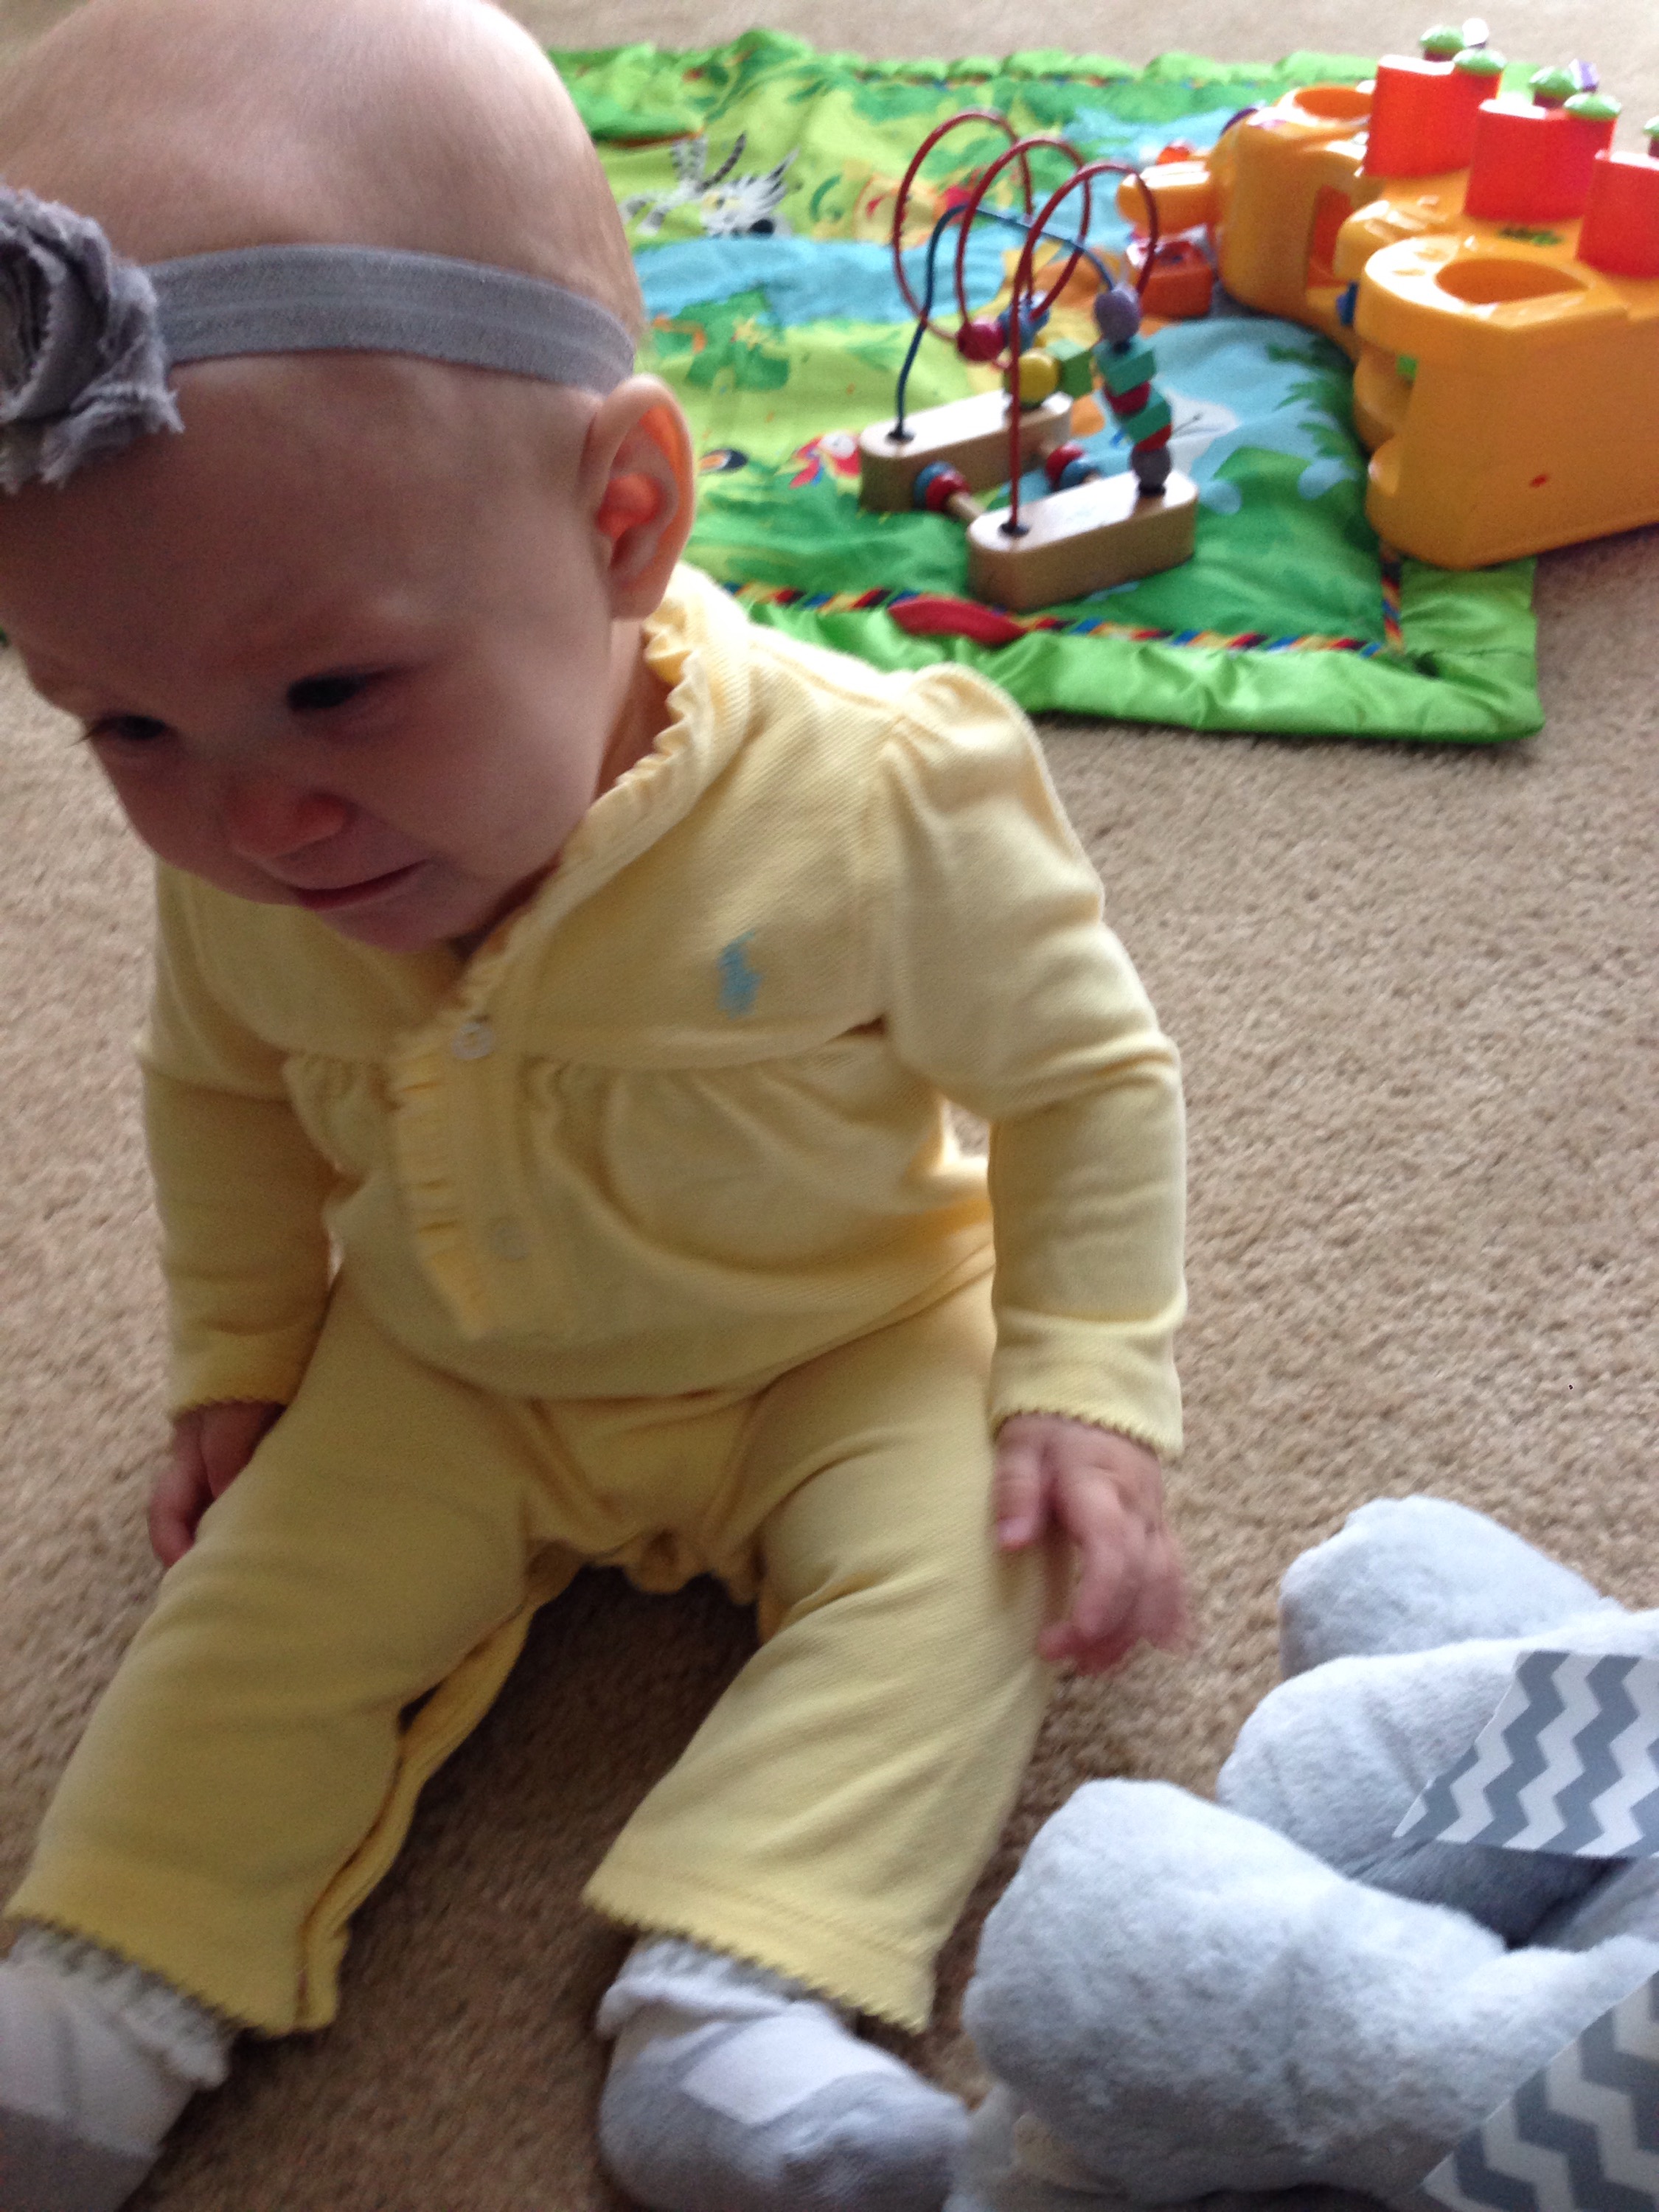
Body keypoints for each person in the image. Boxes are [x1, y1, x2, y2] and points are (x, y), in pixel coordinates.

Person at [0, 0, 1188, 2205]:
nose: (252, 817)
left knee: (978, 1568)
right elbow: (218, 1098)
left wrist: (1084, 1386)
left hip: (846, 1336)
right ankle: (95, 1996)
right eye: (119, 727)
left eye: (338, 687)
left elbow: (1081, 1078)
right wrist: (240, 1358)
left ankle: (740, 1985)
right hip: (444, 1356)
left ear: (622, 518)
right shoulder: (260, 870)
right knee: (245, 1625)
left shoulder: (882, 797)